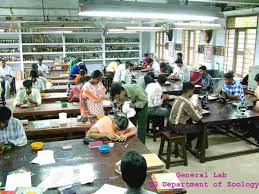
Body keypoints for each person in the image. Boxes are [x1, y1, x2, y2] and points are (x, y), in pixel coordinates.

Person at [168, 82, 203, 154]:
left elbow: (185, 109)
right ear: (190, 90)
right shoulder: (187, 102)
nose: (192, 93)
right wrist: (200, 110)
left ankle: (187, 143)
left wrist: (193, 108)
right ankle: (197, 149)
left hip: (170, 124)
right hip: (177, 127)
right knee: (202, 127)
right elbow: (197, 118)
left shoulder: (178, 98)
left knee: (189, 121)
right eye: (193, 91)